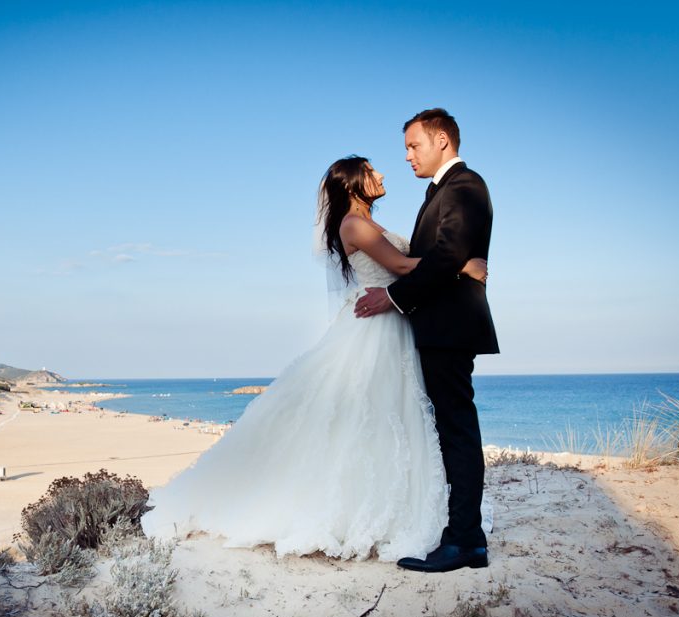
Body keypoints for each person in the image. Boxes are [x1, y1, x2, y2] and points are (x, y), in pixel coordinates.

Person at [141, 156, 487, 561]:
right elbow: (400, 265)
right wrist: (462, 267)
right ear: (354, 183)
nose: (381, 174)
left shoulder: (370, 223)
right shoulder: (353, 224)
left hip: (394, 323)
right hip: (374, 328)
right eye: (371, 170)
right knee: (366, 414)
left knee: (387, 416)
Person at [356, 108, 498, 572]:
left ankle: (466, 541)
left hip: (450, 326)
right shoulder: (439, 191)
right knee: (450, 428)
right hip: (438, 325)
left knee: (457, 429)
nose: (407, 156)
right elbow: (439, 258)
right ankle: (460, 532)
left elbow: (447, 253)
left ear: (442, 140)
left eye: (413, 146)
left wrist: (391, 297)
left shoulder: (465, 185)